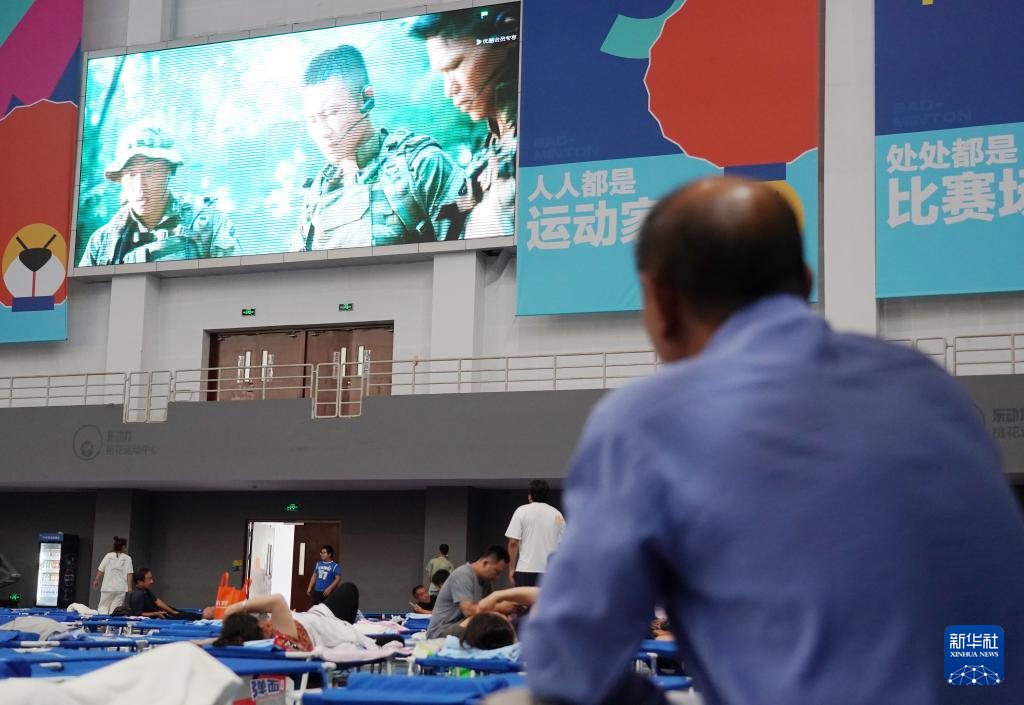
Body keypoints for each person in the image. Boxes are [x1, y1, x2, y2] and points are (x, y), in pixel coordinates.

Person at [516, 176, 1024, 705]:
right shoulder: (928, 386)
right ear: (804, 281)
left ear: (660, 299)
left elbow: (566, 668)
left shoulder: (646, 422)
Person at [293, 44, 464, 252]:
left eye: (331, 113)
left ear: (367, 98)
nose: (323, 131)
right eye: (312, 120)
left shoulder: (418, 165)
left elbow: (460, 253)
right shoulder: (317, 193)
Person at [411, 6, 519, 239]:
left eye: (455, 66)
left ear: (508, 34)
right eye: (443, 74)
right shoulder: (494, 140)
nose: (449, 90)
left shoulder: (544, 129)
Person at [79, 123, 241, 265]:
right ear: (120, 178)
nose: (140, 186)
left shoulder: (209, 223)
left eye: (150, 172)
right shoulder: (103, 242)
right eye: (131, 174)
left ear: (168, 171)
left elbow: (233, 282)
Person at [215, 584, 369, 652]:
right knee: (349, 589)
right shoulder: (283, 638)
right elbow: (277, 601)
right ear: (262, 628)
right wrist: (233, 608)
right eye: (262, 623)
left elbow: (219, 641)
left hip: (313, 617)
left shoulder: (247, 642)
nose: (266, 622)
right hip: (328, 622)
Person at [426, 545, 511, 639]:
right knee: (483, 620)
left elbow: (491, 605)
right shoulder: (463, 574)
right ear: (485, 563)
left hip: (460, 625)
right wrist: (500, 608)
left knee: (503, 621)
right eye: (496, 572)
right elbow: (469, 611)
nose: (497, 577)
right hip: (440, 632)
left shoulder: (486, 581)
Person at [505, 480, 565, 587]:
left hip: (525, 570)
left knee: (523, 599)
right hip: (549, 571)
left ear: (530, 496)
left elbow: (513, 542)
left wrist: (511, 570)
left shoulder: (521, 511)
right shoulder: (557, 515)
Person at [93, 536, 133, 614]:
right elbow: (129, 574)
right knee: (116, 609)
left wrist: (96, 580)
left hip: (107, 587)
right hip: (121, 588)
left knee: (103, 607)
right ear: (123, 547)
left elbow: (101, 569)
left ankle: (103, 621)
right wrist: (129, 587)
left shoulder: (108, 556)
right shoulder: (128, 558)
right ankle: (112, 621)